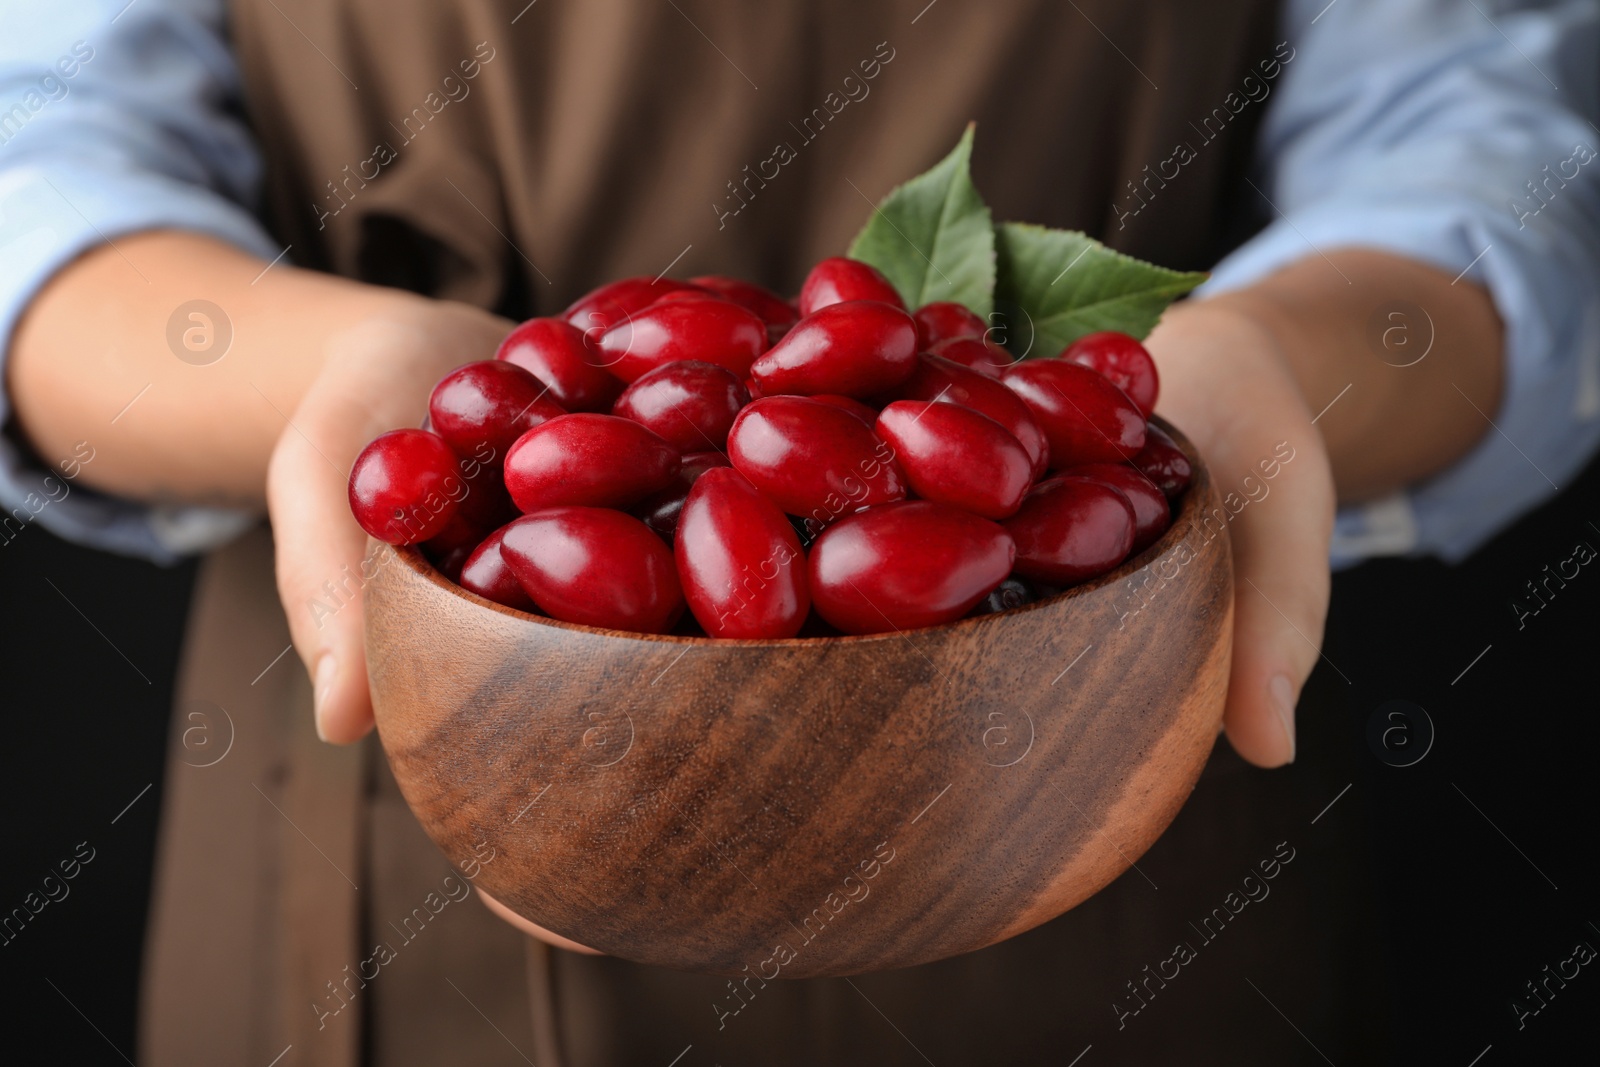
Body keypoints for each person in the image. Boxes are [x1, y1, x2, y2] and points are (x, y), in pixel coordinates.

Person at [1, 0, 1596, 1062]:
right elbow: (35, 146)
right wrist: (330, 374)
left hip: (1095, 814)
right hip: (371, 895)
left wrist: (1273, 371)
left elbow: (1494, 148)